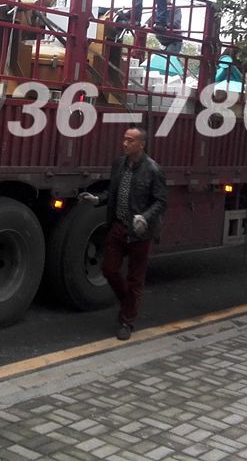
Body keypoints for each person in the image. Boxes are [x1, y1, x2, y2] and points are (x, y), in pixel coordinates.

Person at [78, 126, 167, 340]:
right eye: (124, 139)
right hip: (118, 227)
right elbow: (114, 192)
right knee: (109, 270)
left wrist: (144, 217)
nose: (124, 143)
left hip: (139, 233)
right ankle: (129, 302)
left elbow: (161, 201)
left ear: (141, 145)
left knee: (135, 278)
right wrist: (98, 199)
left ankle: (127, 322)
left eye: (130, 140)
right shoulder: (119, 164)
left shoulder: (153, 170)